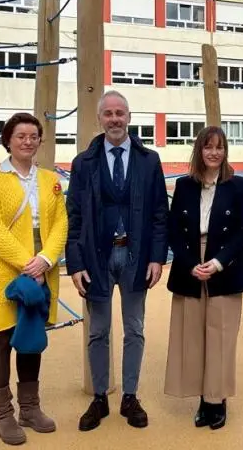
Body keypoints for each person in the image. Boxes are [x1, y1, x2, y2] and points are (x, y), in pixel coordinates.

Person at [64, 90, 169, 431]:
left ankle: (130, 396)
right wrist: (76, 264)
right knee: (98, 331)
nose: (114, 119)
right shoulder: (83, 164)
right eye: (108, 113)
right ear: (99, 119)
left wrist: (157, 257)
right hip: (96, 258)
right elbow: (75, 217)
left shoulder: (149, 161)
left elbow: (158, 214)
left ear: (129, 117)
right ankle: (99, 398)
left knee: (134, 330)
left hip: (136, 257)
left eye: (119, 113)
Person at [0, 112, 68, 446]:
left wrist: (44, 259)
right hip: (5, 269)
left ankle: (30, 408)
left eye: (33, 136)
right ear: (8, 140)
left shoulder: (49, 179)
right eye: (21, 136)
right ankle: (2, 415)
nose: (27, 141)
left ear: (40, 141)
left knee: (30, 336)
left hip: (43, 268)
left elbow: (60, 223)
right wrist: (27, 262)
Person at [164, 125, 243, 430]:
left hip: (224, 265)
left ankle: (216, 400)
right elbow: (173, 229)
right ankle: (203, 397)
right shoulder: (184, 185)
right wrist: (191, 263)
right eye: (208, 147)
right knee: (193, 335)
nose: (214, 152)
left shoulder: (239, 185)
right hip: (190, 265)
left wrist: (216, 262)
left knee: (220, 336)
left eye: (219, 147)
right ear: (199, 151)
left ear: (225, 151)